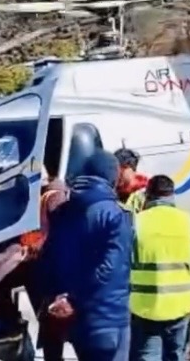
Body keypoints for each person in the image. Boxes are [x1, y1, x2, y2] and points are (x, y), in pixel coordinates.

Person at [41, 151, 134, 361]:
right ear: (111, 176)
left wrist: (61, 298)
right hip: (109, 316)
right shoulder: (115, 214)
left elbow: (49, 261)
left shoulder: (63, 211)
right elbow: (110, 268)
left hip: (76, 321)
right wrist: (75, 298)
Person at [130, 175, 190, 361]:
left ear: (147, 195)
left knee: (147, 356)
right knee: (177, 355)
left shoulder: (134, 223)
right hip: (181, 305)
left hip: (144, 306)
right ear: (172, 195)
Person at [0, 172, 70, 361]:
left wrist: (36, 248)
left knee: (48, 318)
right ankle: (14, 331)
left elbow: (57, 233)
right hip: (36, 263)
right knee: (0, 285)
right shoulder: (40, 195)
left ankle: (16, 331)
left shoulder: (53, 196)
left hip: (43, 266)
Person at [115, 148, 149, 213]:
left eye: (122, 169)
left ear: (132, 169)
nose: (117, 174)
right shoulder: (111, 193)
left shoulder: (146, 193)